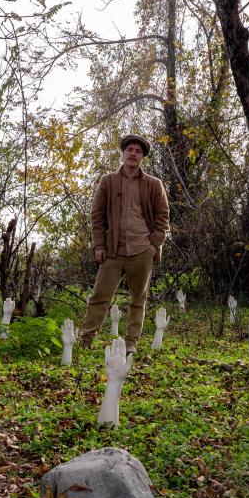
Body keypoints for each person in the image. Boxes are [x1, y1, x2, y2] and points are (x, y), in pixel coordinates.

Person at [80, 134, 170, 354]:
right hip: (112, 250)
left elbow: (163, 218)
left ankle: (131, 343)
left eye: (138, 151)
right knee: (99, 296)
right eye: (129, 149)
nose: (133, 154)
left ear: (142, 158)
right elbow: (97, 215)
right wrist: (99, 246)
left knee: (138, 299)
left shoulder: (154, 184)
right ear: (122, 153)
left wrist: (152, 245)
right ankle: (86, 339)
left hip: (142, 250)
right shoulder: (108, 181)